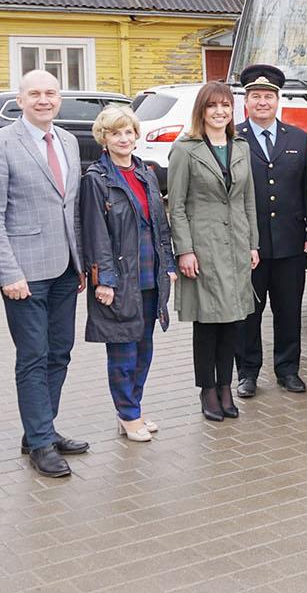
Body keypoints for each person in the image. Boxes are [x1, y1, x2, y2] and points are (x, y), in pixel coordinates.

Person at [0, 69, 88, 478]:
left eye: (51, 93)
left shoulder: (69, 140)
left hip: (64, 270)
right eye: (35, 93)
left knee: (60, 352)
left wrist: (81, 264)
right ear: (19, 100)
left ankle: (40, 428)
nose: (44, 100)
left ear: (59, 99)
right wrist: (8, 272)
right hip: (24, 272)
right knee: (33, 356)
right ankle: (41, 443)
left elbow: (71, 207)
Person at [79, 106, 177, 442]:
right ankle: (128, 413)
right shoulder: (96, 180)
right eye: (115, 133)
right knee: (124, 351)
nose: (123, 138)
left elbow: (160, 225)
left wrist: (168, 265)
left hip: (149, 277)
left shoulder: (146, 173)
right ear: (104, 139)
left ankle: (132, 407)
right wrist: (104, 280)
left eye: (128, 132)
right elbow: (95, 234)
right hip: (120, 279)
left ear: (136, 136)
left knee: (144, 347)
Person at [167, 81, 259, 422]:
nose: (220, 112)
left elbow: (248, 199)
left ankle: (226, 386)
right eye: (212, 106)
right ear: (201, 111)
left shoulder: (240, 147)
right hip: (203, 247)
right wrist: (185, 250)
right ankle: (207, 389)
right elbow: (175, 206)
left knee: (234, 320)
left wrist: (253, 244)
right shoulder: (185, 149)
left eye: (225, 106)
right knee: (208, 322)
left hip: (236, 245)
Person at [233, 64, 307, 399]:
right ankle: (247, 372)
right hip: (248, 245)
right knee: (248, 313)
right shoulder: (233, 138)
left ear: (278, 100)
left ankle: (288, 370)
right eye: (255, 96)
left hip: (289, 244)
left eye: (268, 96)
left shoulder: (297, 139)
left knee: (289, 311)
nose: (262, 102)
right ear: (246, 102)